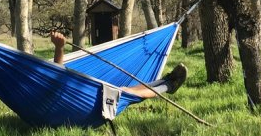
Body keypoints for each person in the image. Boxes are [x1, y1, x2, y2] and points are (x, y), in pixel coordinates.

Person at [50, 31, 187, 98]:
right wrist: (59, 48)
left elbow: (57, 76)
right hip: (85, 103)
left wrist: (59, 48)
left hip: (85, 94)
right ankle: (167, 85)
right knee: (126, 92)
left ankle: (164, 80)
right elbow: (57, 79)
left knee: (123, 89)